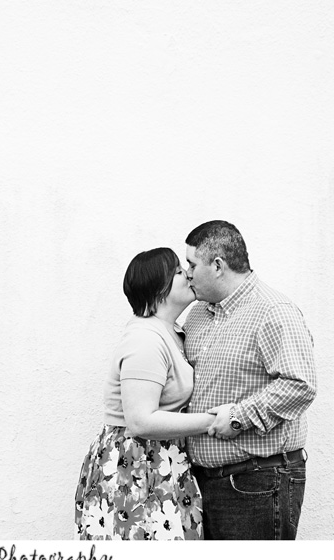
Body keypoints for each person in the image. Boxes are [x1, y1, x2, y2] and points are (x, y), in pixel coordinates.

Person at [183, 220, 317, 540]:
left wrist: (239, 417)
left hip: (256, 482)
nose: (187, 273)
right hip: (204, 483)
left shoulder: (274, 311)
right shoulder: (199, 313)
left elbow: (300, 385)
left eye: (191, 264)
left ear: (218, 266)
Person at [75, 248, 218, 540]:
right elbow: (141, 421)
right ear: (159, 288)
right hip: (135, 466)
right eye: (179, 271)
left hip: (158, 462)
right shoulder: (146, 340)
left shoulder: (170, 332)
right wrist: (212, 420)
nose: (189, 274)